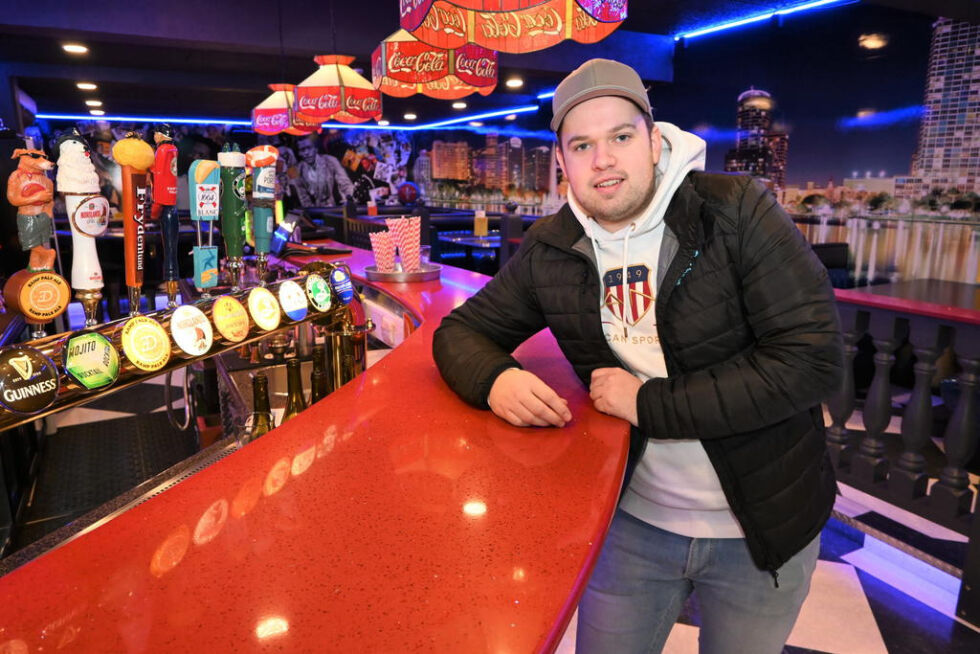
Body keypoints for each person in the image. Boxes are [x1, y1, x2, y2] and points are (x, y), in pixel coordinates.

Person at [432, 58, 843, 654]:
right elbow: (460, 332)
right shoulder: (553, 246)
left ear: (653, 141)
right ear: (562, 164)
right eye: (582, 145)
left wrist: (650, 404)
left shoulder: (737, 210)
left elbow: (810, 361)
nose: (603, 160)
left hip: (765, 526)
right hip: (629, 527)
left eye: (621, 137)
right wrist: (494, 380)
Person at [292, 135, 354, 207]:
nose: (306, 153)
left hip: (336, 208)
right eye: (302, 150)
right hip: (313, 212)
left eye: (309, 148)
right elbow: (303, 198)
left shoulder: (331, 161)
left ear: (316, 148)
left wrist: (349, 202)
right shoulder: (297, 170)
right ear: (299, 153)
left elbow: (345, 184)